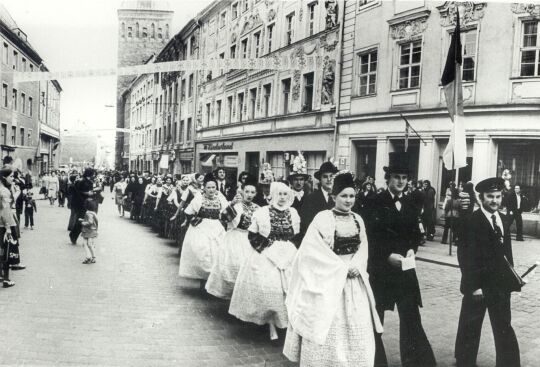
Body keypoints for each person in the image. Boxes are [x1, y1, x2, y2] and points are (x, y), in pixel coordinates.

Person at [283, 171, 383, 366]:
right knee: (329, 324)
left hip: (353, 282)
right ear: (334, 197)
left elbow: (364, 247)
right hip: (329, 280)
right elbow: (312, 251)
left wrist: (356, 265)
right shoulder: (323, 218)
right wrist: (340, 268)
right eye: (343, 196)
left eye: (352, 196)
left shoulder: (358, 219)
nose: (348, 200)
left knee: (355, 326)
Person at [366, 152, 436, 367]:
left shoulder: (411, 204)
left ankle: (416, 362)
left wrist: (412, 251)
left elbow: (415, 234)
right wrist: (387, 256)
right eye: (396, 177)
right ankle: (374, 361)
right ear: (388, 178)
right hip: (380, 271)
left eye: (404, 178)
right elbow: (368, 237)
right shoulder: (373, 202)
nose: (400, 182)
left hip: (405, 271)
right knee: (375, 319)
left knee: (411, 318)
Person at [454, 177, 521, 367]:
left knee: (504, 327)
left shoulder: (503, 219)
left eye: (498, 197)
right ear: (481, 198)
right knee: (470, 326)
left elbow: (506, 253)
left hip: (500, 285)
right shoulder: (472, 221)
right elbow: (465, 256)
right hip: (479, 285)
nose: (494, 201)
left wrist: (512, 278)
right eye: (490, 196)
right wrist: (473, 286)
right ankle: (464, 361)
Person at [229, 182, 300, 340]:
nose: (282, 198)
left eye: (285, 195)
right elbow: (252, 235)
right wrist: (265, 250)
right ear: (273, 195)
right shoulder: (262, 212)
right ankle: (270, 324)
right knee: (269, 288)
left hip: (287, 254)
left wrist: (289, 251)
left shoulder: (293, 213)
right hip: (265, 253)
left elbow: (295, 236)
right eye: (279, 194)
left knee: (289, 289)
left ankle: (286, 323)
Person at [206, 174, 260, 299]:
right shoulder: (237, 205)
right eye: (247, 191)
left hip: (249, 239)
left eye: (252, 192)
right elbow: (223, 218)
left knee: (247, 268)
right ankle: (231, 294)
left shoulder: (258, 208)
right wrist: (232, 204)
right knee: (234, 265)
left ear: (256, 194)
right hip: (235, 238)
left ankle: (242, 295)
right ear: (242, 192)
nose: (249, 195)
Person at [178, 173, 229, 287]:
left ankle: (212, 281)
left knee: (217, 252)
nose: (211, 190)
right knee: (203, 252)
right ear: (204, 188)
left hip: (217, 227)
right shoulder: (199, 197)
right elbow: (188, 212)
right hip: (202, 227)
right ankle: (203, 280)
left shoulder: (220, 197)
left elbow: (227, 212)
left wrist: (230, 209)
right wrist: (195, 221)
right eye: (209, 188)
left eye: (213, 187)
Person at [299, 161, 339, 242]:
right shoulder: (310, 198)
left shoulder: (339, 198)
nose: (329, 179)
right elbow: (306, 223)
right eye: (325, 176)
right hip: (317, 241)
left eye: (331, 176)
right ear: (320, 179)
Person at [0, 168, 20, 288]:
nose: (13, 179)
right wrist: (8, 228)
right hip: (4, 225)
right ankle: (6, 279)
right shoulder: (4, 192)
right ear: (4, 178)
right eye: (11, 177)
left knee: (0, 250)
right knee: (7, 251)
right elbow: (6, 211)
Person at [69, 168, 95, 245]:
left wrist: (93, 192)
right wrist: (87, 193)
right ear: (89, 174)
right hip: (80, 203)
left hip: (87, 203)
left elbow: (90, 191)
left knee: (83, 220)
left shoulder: (89, 182)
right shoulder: (81, 181)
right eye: (92, 174)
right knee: (81, 220)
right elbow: (77, 192)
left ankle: (74, 235)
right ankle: (73, 235)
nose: (93, 175)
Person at [79, 198, 98, 264]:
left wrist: (83, 223)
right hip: (92, 231)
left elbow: (90, 222)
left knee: (85, 244)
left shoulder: (88, 213)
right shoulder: (93, 213)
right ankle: (93, 257)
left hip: (87, 231)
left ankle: (88, 257)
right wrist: (83, 220)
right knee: (90, 244)